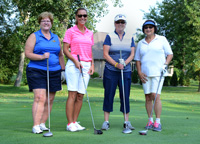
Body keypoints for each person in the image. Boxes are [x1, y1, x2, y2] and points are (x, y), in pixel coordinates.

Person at [25, 12, 65, 134]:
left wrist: (63, 71)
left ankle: (42, 123)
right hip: (36, 70)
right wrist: (42, 57)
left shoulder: (56, 37)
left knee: (50, 99)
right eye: (43, 21)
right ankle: (35, 125)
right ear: (40, 23)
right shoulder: (34, 36)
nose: (46, 23)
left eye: (48, 21)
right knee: (40, 97)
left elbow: (60, 55)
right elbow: (28, 53)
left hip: (54, 71)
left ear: (51, 23)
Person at [134, 20, 173, 132]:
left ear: (154, 28)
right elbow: (137, 59)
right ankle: (150, 120)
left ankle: (157, 122)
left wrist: (165, 64)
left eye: (151, 27)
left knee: (155, 96)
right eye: (146, 27)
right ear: (144, 29)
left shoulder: (161, 39)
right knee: (147, 97)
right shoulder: (141, 43)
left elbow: (170, 54)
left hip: (158, 73)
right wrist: (139, 72)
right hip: (145, 74)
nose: (148, 29)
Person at [101, 14, 135, 132]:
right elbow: (105, 54)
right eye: (118, 22)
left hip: (125, 71)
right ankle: (106, 122)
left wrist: (124, 63)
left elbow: (132, 54)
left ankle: (126, 122)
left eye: (122, 22)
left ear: (125, 24)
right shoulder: (109, 36)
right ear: (114, 23)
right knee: (109, 94)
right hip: (111, 71)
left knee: (125, 95)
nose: (120, 24)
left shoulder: (130, 37)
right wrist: (116, 64)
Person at [63, 8, 94, 132]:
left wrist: (92, 65)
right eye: (80, 15)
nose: (82, 17)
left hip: (86, 65)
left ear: (87, 17)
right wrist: (75, 61)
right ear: (76, 17)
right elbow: (65, 49)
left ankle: (75, 122)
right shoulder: (70, 31)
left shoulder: (90, 33)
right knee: (72, 94)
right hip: (73, 64)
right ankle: (69, 123)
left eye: (84, 15)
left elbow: (90, 51)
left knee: (80, 95)